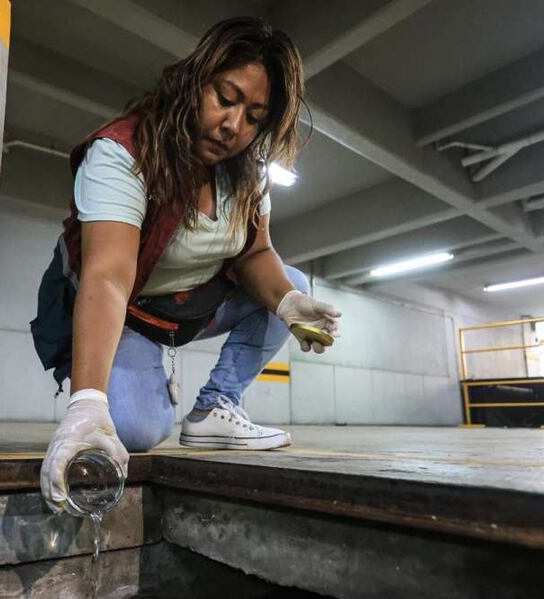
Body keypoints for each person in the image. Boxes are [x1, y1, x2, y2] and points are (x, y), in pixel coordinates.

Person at [30, 17, 342, 513]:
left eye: (255, 116)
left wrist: (287, 301)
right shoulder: (125, 152)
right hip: (128, 308)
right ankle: (102, 392)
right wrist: (87, 404)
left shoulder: (250, 175)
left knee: (293, 285)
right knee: (136, 431)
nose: (234, 126)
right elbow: (108, 276)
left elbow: (256, 252)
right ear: (194, 81)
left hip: (190, 305)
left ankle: (216, 407)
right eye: (226, 97)